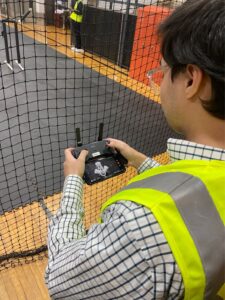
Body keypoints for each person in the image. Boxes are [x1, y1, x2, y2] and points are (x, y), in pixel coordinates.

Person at [45, 0, 225, 298]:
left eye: (164, 71)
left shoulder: (140, 225)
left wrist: (73, 181)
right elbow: (200, 202)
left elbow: (61, 277)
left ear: (192, 80)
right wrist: (141, 161)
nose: (160, 81)